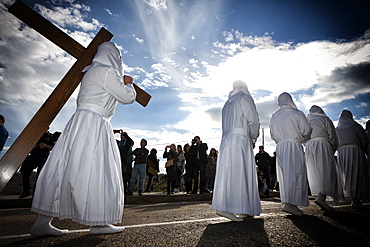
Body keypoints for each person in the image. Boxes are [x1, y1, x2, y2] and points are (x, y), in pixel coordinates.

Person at [30, 42, 136, 236]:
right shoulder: (107, 72)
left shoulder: (91, 72)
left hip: (79, 122)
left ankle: (42, 222)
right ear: (113, 56)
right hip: (95, 124)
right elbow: (127, 98)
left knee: (63, 167)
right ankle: (99, 223)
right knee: (98, 169)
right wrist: (129, 83)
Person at [212, 80, 262, 222]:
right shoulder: (244, 98)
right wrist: (253, 137)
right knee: (241, 172)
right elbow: (253, 120)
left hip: (227, 139)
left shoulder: (227, 104)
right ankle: (227, 207)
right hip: (241, 138)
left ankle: (243, 208)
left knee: (229, 172)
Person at [269, 92, 312, 216]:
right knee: (296, 172)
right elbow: (307, 130)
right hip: (293, 145)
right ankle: (291, 203)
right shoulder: (296, 113)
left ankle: (288, 201)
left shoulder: (274, 116)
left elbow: (272, 135)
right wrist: (303, 139)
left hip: (280, 147)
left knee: (284, 174)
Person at [305, 105, 343, 211]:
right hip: (322, 144)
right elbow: (333, 136)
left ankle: (321, 196)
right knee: (326, 171)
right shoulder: (324, 118)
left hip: (309, 146)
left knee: (315, 172)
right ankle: (322, 197)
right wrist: (333, 148)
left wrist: (307, 145)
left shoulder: (307, 120)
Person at [336, 110, 369, 208]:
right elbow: (364, 140)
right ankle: (356, 198)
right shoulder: (356, 126)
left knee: (346, 174)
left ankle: (353, 197)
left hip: (341, 152)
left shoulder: (337, 129)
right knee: (357, 173)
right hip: (355, 150)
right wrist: (362, 149)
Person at [19, 130, 55, 198]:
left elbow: (55, 147)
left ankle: (35, 193)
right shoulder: (36, 135)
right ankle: (26, 191)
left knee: (39, 176)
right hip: (34, 156)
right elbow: (29, 144)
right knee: (25, 173)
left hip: (43, 158)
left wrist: (46, 146)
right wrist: (36, 146)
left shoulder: (51, 136)